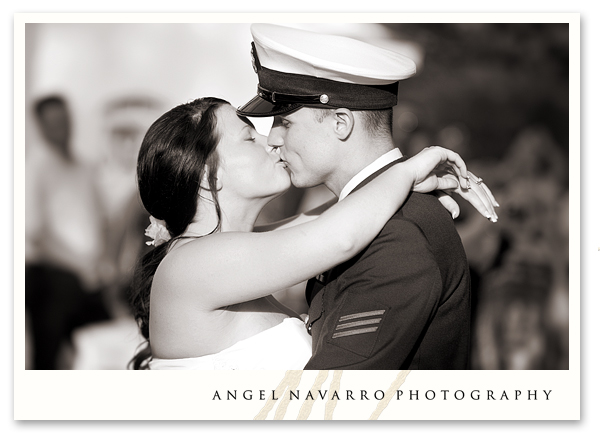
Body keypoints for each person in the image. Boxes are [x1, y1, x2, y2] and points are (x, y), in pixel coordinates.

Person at [129, 96, 495, 370]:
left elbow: (325, 219)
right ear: (209, 176)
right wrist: (410, 170)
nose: (270, 141)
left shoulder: (221, 254)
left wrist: (404, 189)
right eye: (247, 138)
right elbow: (339, 236)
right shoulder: (194, 263)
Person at [237, 24, 498, 369]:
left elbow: (329, 400)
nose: (272, 140)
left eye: (285, 123)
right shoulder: (374, 215)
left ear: (341, 123)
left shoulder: (397, 237)